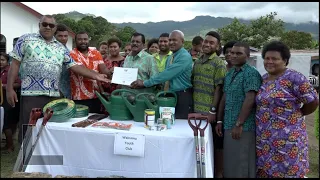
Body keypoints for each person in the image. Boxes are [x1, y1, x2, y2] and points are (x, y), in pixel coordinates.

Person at [7, 15, 110, 144]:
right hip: (31, 95)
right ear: (39, 25)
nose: (47, 27)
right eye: (45, 24)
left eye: (51, 25)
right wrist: (9, 88)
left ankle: (45, 161)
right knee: (29, 130)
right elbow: (15, 63)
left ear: (55, 28)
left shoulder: (61, 48)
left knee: (50, 131)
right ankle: (26, 162)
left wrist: (95, 75)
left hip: (54, 98)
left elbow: (75, 66)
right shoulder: (26, 39)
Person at [255, 41, 319, 178]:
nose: (269, 62)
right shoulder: (264, 79)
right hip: (265, 139)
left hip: (288, 140)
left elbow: (313, 101)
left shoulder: (294, 78)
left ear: (285, 61)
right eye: (267, 58)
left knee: (288, 172)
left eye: (274, 58)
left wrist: (300, 113)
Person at [216, 42, 262, 178]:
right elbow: (224, 97)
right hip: (228, 125)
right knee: (231, 163)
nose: (233, 55)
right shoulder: (230, 74)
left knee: (242, 164)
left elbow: (251, 98)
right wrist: (219, 120)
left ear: (247, 56)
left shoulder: (251, 73)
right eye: (232, 53)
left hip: (243, 127)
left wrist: (239, 124)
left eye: (238, 53)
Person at [131, 30, 193, 119]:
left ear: (182, 41)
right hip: (169, 94)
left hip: (182, 95)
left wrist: (144, 83)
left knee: (180, 123)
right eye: (170, 40)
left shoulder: (184, 57)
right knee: (167, 122)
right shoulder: (171, 57)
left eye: (174, 40)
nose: (171, 42)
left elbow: (166, 75)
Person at [192, 31, 226, 178]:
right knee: (198, 149)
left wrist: (213, 111)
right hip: (195, 111)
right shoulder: (198, 61)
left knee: (209, 149)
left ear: (217, 46)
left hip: (209, 114)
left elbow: (219, 88)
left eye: (211, 43)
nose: (207, 44)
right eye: (206, 41)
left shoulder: (219, 63)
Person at [69, 31, 111, 113]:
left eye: (85, 39)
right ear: (75, 41)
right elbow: (80, 69)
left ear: (88, 40)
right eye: (80, 39)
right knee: (80, 122)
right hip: (79, 97)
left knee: (95, 122)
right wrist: (97, 75)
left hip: (96, 95)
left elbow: (104, 69)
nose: (83, 41)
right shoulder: (71, 54)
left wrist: (112, 75)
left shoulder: (96, 53)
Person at [1, 53, 21, 153]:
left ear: (7, 61)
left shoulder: (10, 71)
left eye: (2, 60)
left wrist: (5, 86)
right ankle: (7, 144)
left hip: (7, 99)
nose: (0, 62)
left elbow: (18, 83)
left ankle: (10, 145)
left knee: (6, 123)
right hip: (0, 99)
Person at [54, 23, 71, 99]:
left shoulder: (70, 52)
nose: (63, 38)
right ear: (54, 36)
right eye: (60, 36)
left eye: (65, 36)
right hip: (54, 91)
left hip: (68, 92)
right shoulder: (50, 51)